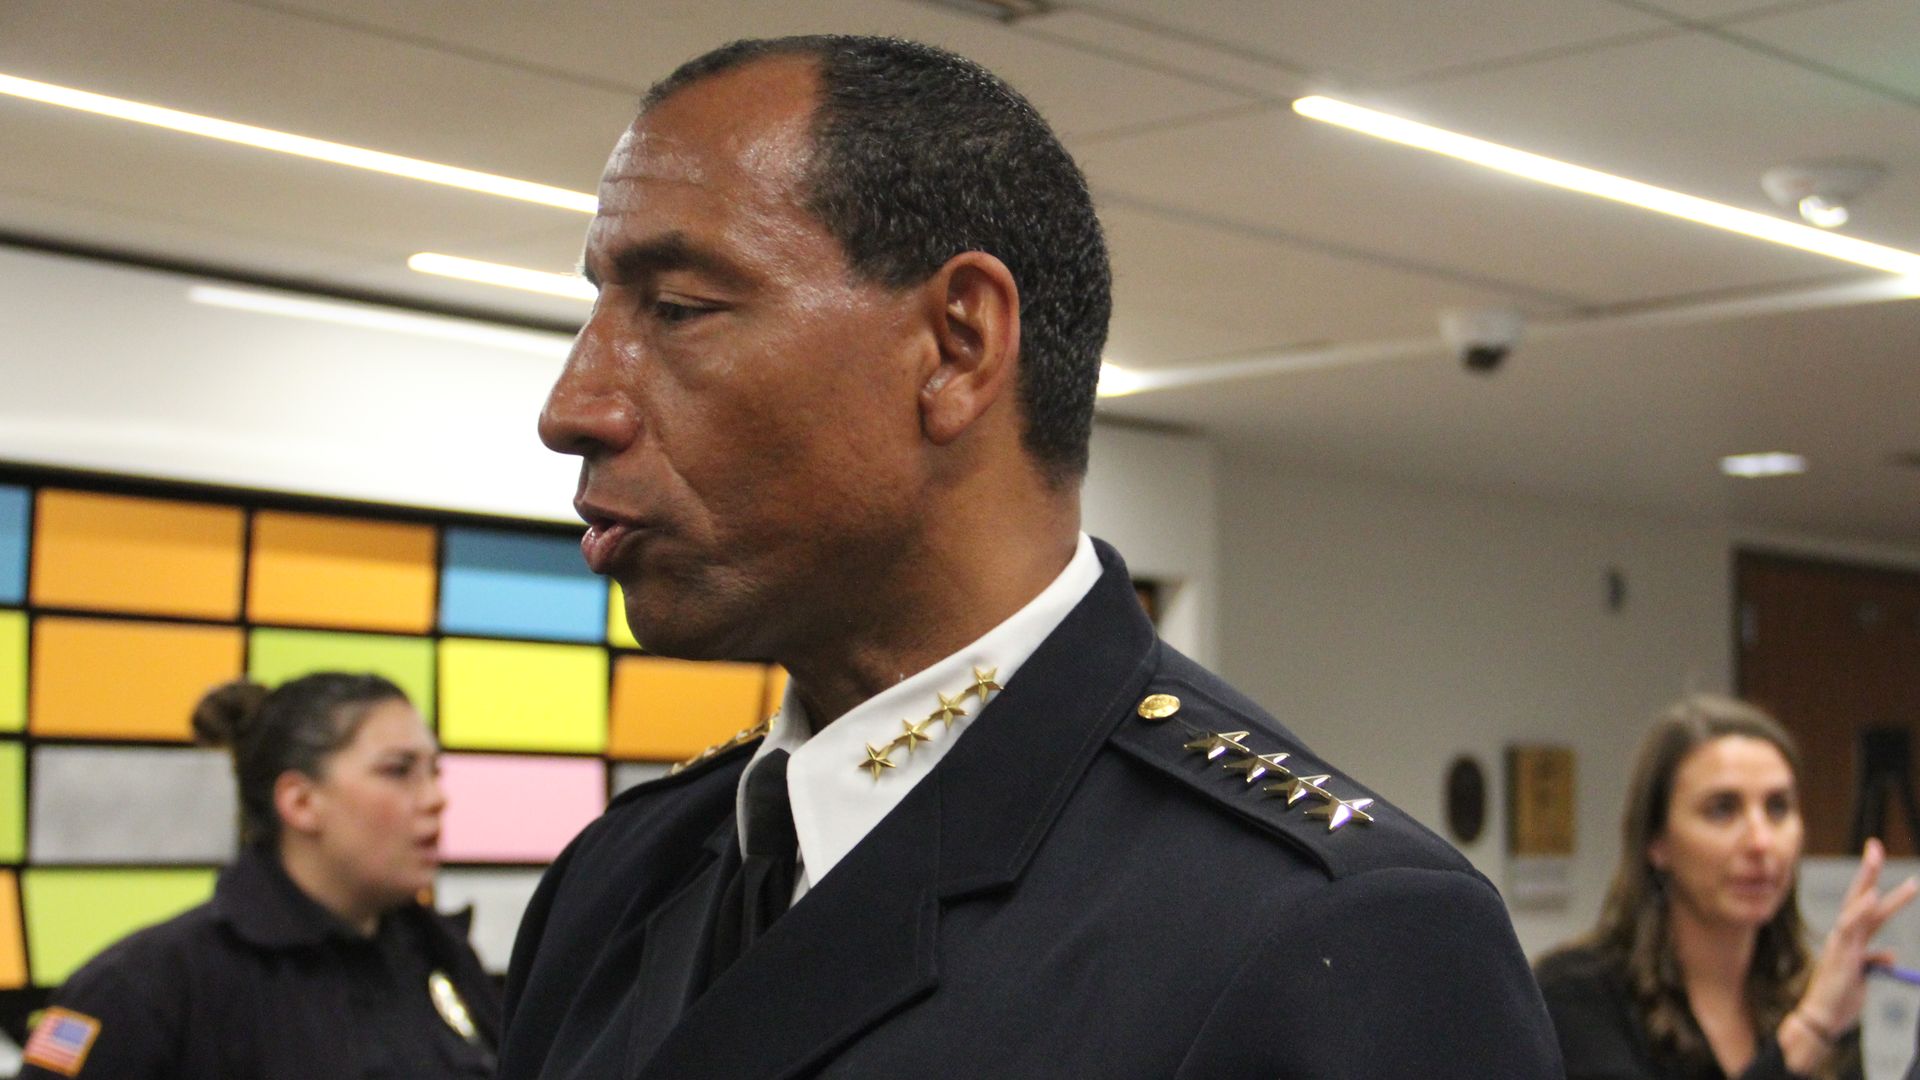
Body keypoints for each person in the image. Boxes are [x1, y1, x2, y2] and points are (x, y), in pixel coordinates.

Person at [500, 34, 1560, 1079]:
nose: (573, 408)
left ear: (957, 346)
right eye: (595, 312)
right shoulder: (619, 883)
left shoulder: (1326, 934)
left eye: (679, 310)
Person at [18, 674, 500, 1079]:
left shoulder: (438, 951)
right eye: (399, 771)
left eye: (435, 771)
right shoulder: (144, 988)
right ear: (300, 802)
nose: (437, 797)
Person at [1536, 695, 1917, 1080]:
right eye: (1722, 809)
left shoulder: (1807, 993)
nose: (1760, 841)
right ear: (1657, 841)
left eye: (1778, 807)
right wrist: (1810, 1031)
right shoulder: (1578, 994)